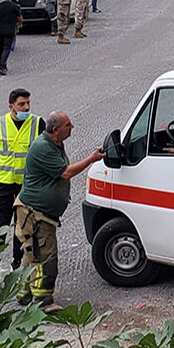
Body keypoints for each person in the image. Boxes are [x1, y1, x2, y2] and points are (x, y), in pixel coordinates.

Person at [15, 111, 104, 312]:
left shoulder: (53, 144)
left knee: (33, 252)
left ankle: (25, 293)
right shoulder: (43, 148)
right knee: (46, 256)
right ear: (56, 130)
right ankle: (43, 301)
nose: (71, 127)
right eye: (68, 125)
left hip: (37, 212)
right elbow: (66, 172)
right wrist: (91, 159)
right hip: (35, 213)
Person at [0, 88, 45, 287]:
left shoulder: (37, 123)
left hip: (26, 185)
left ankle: (18, 265)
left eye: (28, 103)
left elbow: (46, 152)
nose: (26, 107)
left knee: (23, 228)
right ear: (11, 107)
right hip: (3, 183)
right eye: (21, 104)